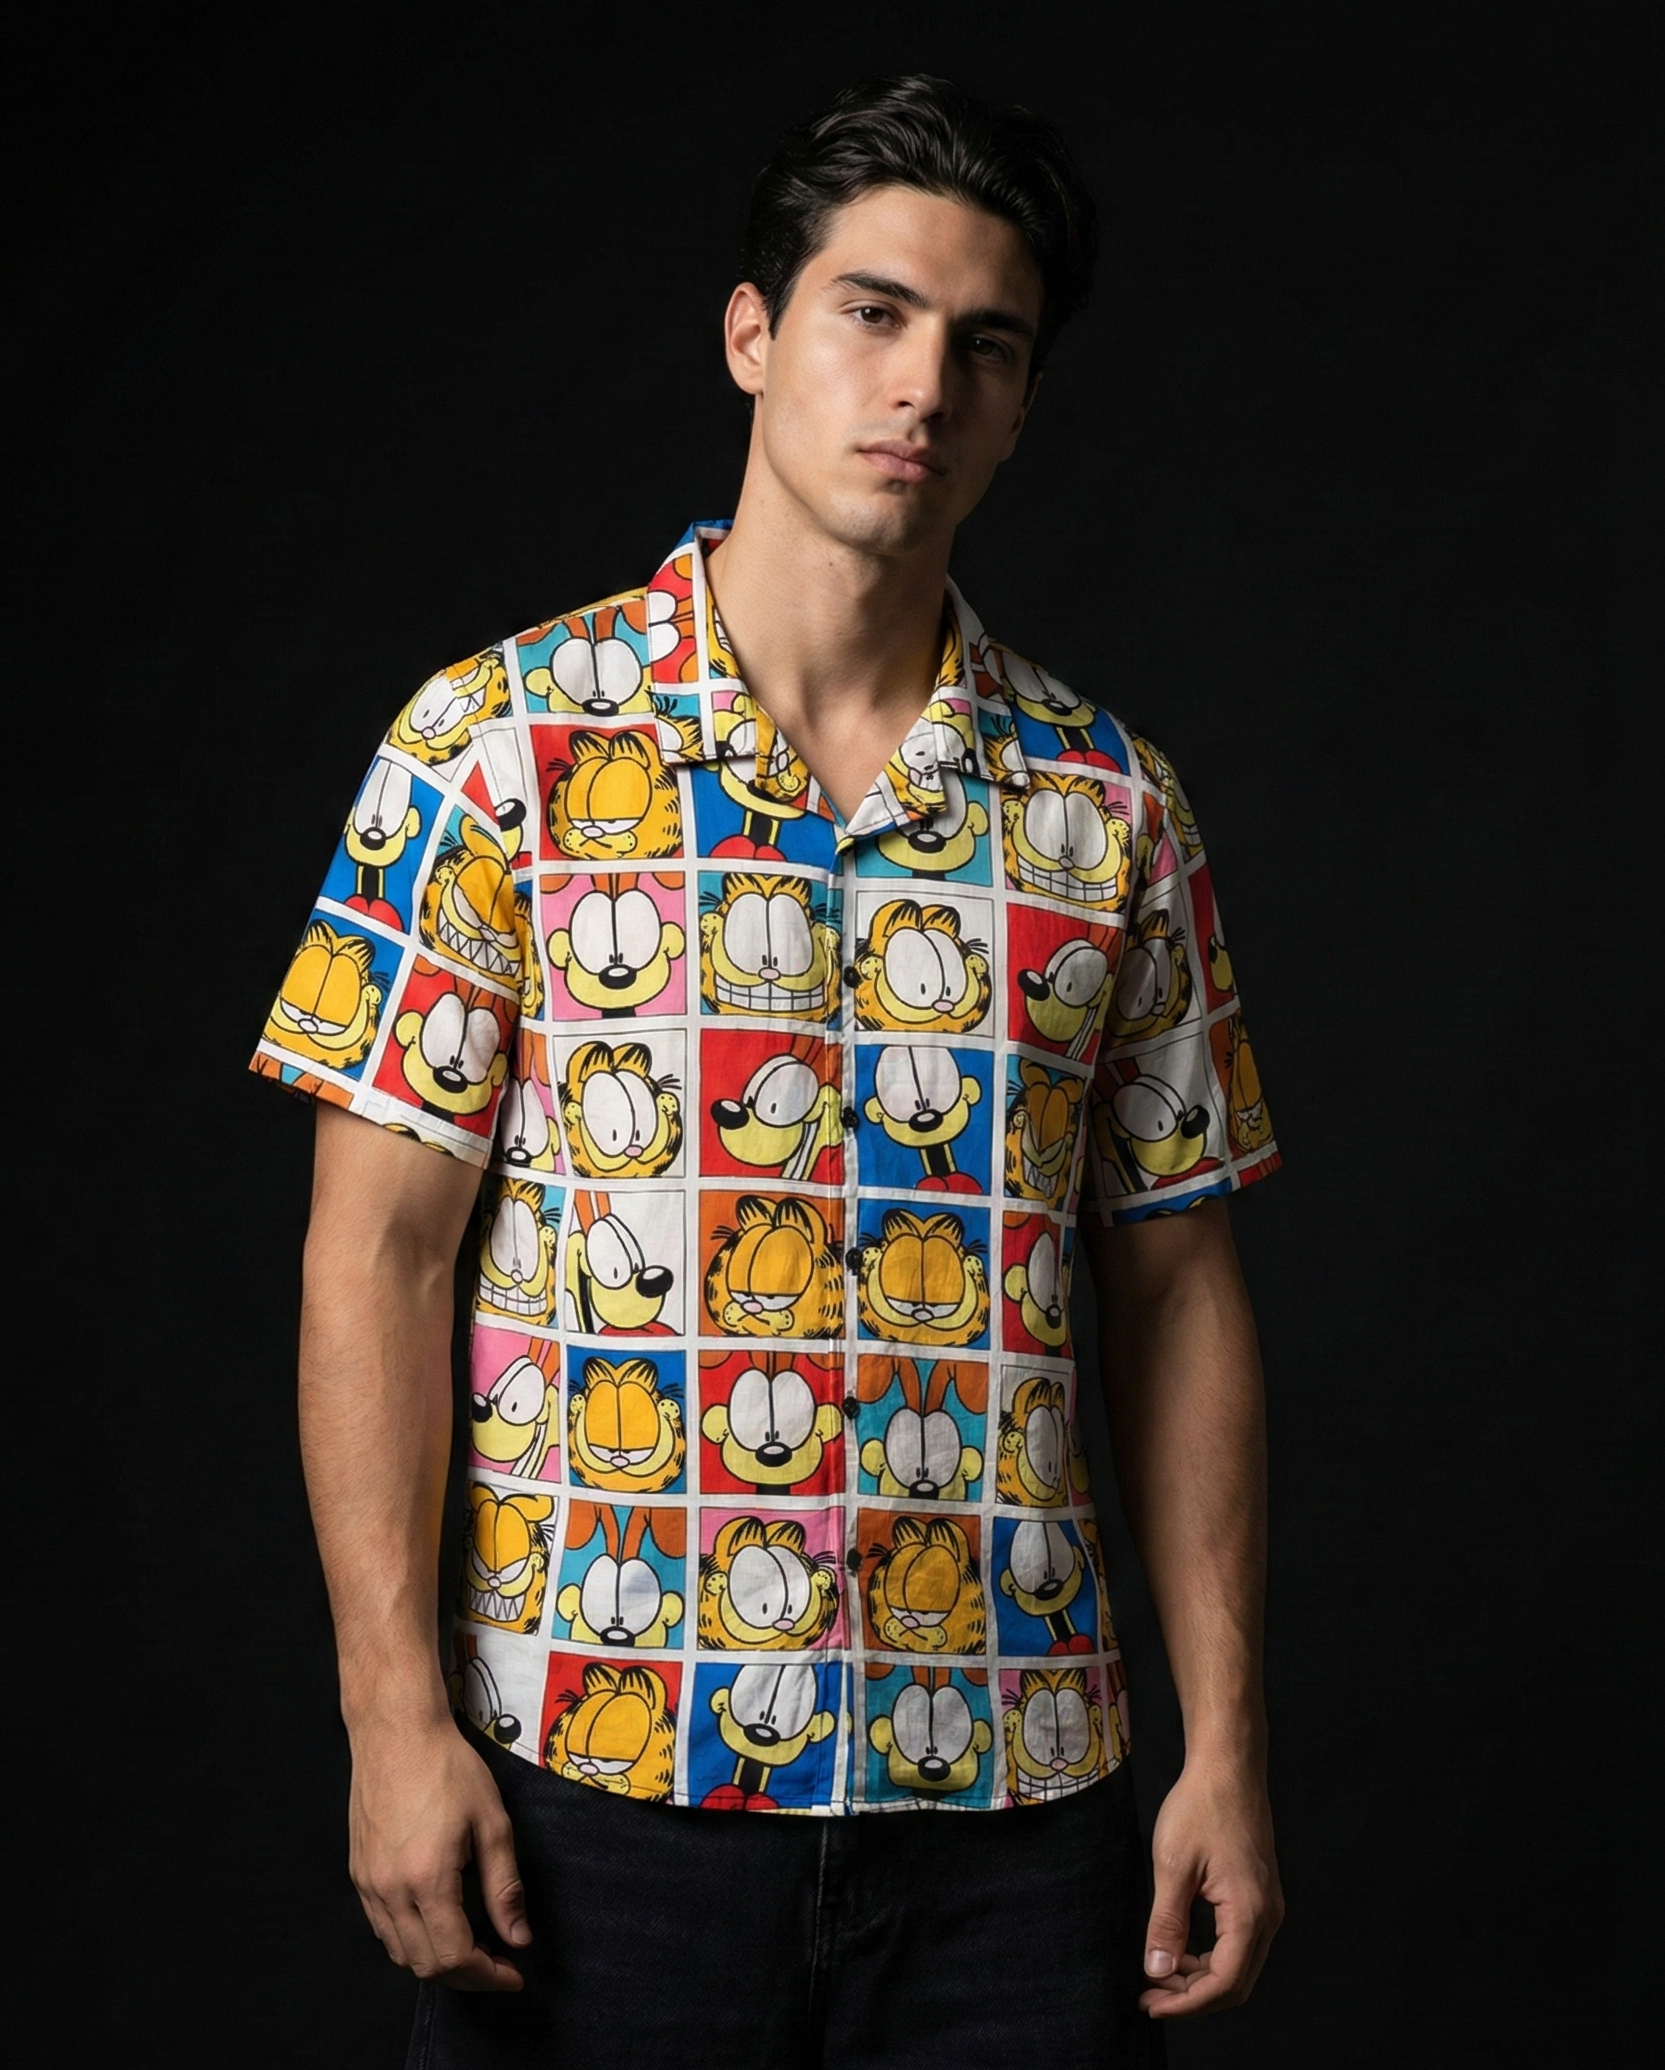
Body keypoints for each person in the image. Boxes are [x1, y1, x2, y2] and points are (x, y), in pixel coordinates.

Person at [253, 73, 1285, 2067]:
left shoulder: (1108, 811)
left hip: (1017, 1823)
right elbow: (375, 1254)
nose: (923, 386)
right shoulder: (497, 751)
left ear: (1023, 403)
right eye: (871, 312)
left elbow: (1177, 1290)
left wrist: (1226, 1746)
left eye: (987, 346)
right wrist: (389, 1717)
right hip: (593, 1802)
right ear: (752, 332)